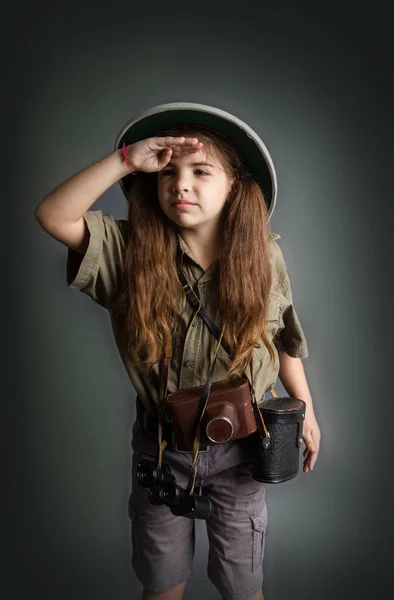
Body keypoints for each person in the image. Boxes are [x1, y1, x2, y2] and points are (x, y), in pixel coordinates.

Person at [34, 103, 321, 600]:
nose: (180, 184)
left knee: (243, 588)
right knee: (162, 586)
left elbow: (282, 338)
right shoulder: (126, 252)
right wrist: (126, 159)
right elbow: (52, 214)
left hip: (242, 451)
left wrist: (308, 411)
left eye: (200, 171)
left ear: (235, 185)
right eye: (168, 172)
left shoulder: (264, 255)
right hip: (162, 452)